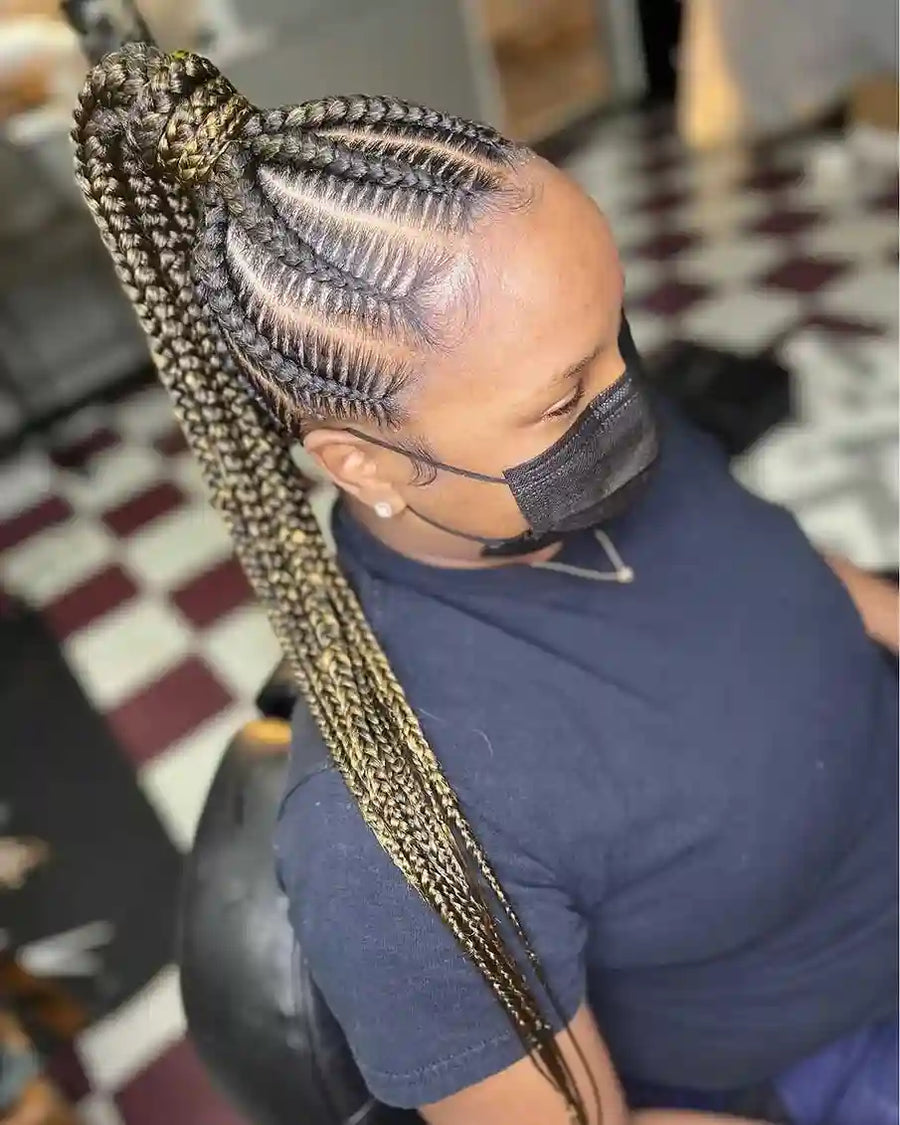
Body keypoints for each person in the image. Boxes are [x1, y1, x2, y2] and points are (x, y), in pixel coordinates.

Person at [72, 44, 898, 1125]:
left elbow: (788, 574)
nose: (628, 399)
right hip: (828, 1060)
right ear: (361, 462)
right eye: (564, 399)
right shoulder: (397, 837)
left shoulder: (605, 461)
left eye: (614, 338)